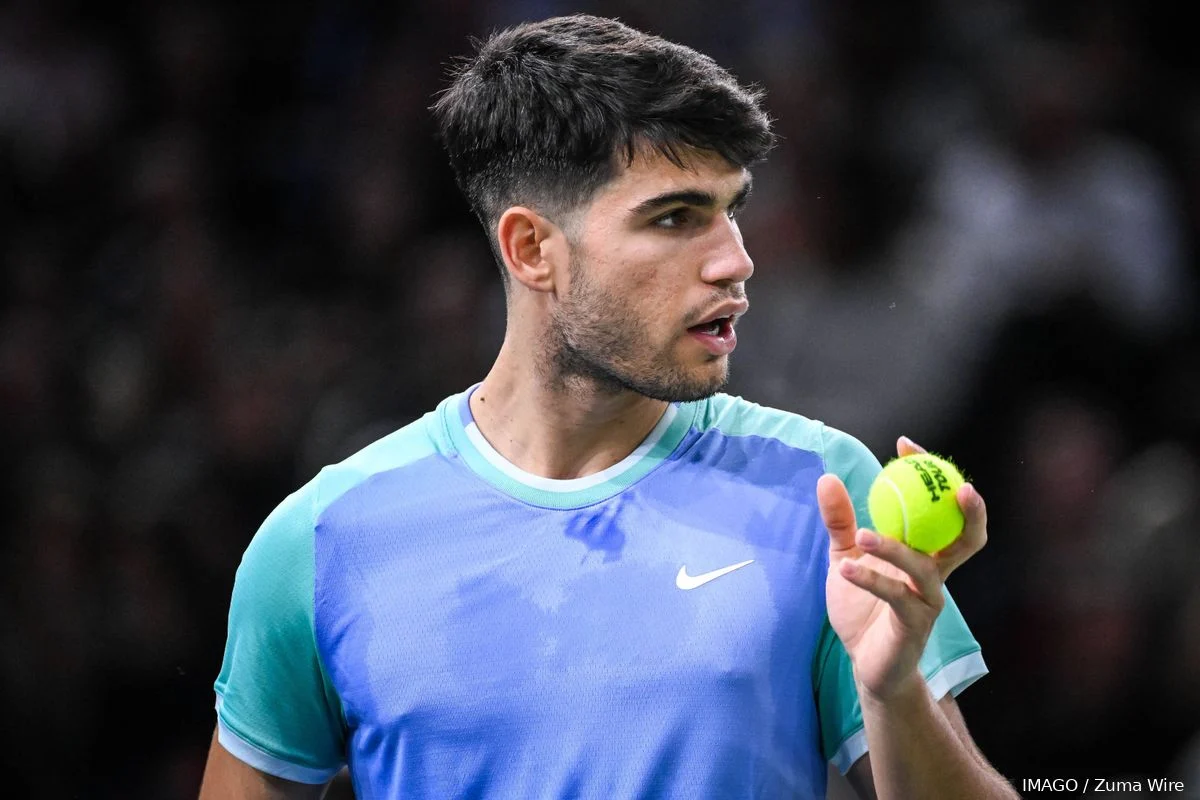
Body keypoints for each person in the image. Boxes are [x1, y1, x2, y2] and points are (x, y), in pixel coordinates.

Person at [199, 14, 1018, 799]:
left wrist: (895, 693)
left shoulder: (826, 496)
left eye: (732, 210)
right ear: (532, 250)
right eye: (675, 218)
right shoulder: (322, 542)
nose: (737, 260)